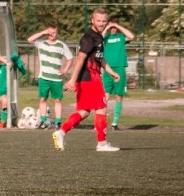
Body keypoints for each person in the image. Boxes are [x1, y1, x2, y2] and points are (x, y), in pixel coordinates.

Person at [53, 8, 121, 152]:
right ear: (92, 20)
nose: (101, 23)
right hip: (90, 78)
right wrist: (72, 79)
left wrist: (111, 72)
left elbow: (100, 59)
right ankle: (102, 144)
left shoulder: (99, 37)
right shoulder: (88, 37)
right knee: (101, 108)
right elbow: (80, 59)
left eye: (104, 21)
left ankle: (61, 132)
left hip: (88, 78)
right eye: (98, 21)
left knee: (84, 111)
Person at [27, 24, 73, 129]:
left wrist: (65, 69)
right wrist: (43, 32)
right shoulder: (41, 43)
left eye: (54, 32)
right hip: (44, 77)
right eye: (50, 32)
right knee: (43, 99)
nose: (52, 34)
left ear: (57, 33)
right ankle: (43, 121)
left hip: (56, 78)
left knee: (57, 100)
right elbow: (29, 39)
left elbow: (70, 58)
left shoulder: (61, 45)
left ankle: (58, 122)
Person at [103, 17, 135, 130]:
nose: (113, 29)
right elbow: (99, 38)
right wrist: (107, 27)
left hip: (120, 68)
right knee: (105, 96)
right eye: (111, 27)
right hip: (107, 69)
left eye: (114, 27)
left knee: (118, 96)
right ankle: (101, 123)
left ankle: (114, 123)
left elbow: (131, 36)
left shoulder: (121, 37)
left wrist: (118, 26)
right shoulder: (105, 37)